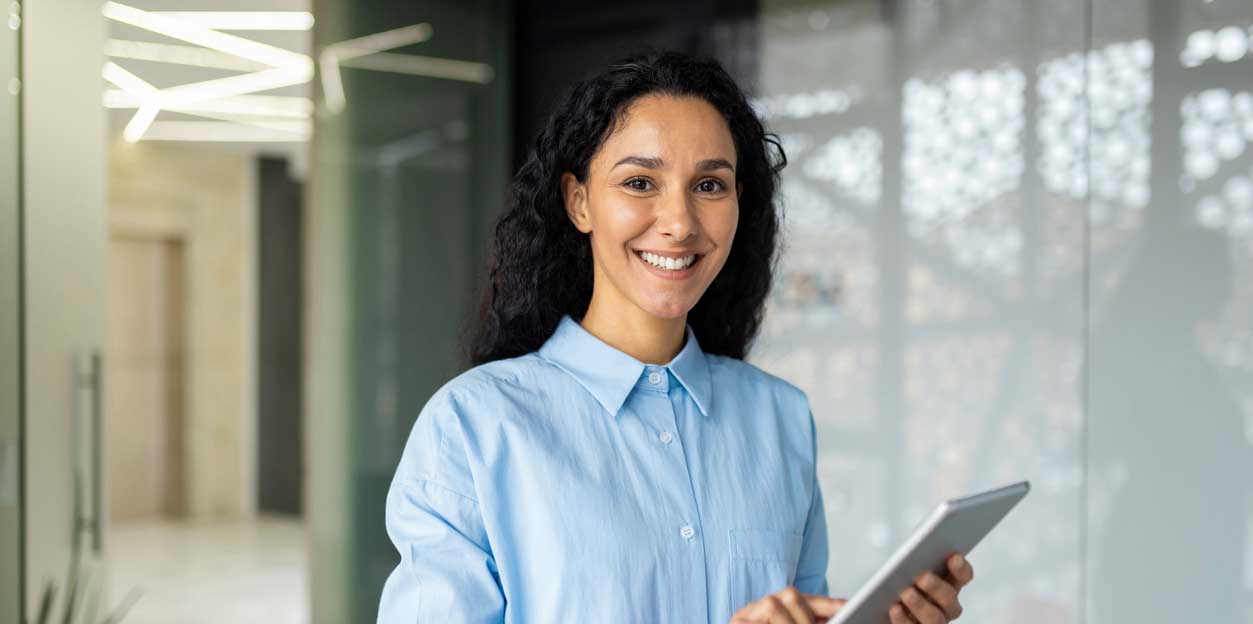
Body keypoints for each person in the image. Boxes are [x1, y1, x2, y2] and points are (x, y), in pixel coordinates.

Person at [376, 50, 974, 624]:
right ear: (578, 201)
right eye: (640, 183)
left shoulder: (781, 418)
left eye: (710, 185)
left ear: (740, 201)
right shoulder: (474, 426)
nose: (681, 222)